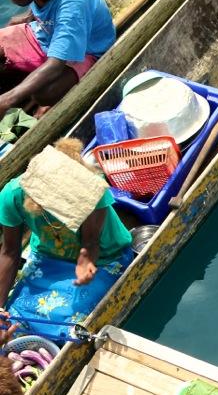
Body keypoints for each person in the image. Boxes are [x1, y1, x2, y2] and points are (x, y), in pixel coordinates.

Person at [0, 140, 135, 342]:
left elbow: (91, 241)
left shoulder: (93, 190)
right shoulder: (11, 196)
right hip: (48, 258)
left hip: (105, 258)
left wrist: (87, 259)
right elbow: (9, 252)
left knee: (70, 325)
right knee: (14, 319)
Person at [0, 0, 115, 114]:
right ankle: (23, 83)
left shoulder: (72, 5)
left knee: (44, 93)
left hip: (83, 52)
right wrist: (28, 16)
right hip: (45, 33)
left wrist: (7, 100)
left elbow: (56, 64)